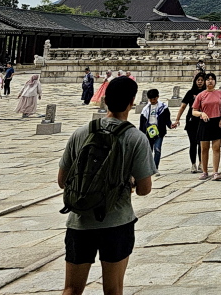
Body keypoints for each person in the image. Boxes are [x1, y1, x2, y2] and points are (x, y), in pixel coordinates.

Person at [58, 75, 153, 295]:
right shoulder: (136, 138)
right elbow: (144, 189)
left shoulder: (81, 133)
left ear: (105, 99)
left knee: (71, 289)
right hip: (116, 222)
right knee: (113, 290)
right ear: (132, 102)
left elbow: (63, 181)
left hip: (79, 222)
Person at [192, 74, 221, 180]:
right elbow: (194, 111)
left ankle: (216, 171)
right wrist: (201, 114)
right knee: (204, 149)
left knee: (216, 148)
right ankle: (205, 171)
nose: (210, 81)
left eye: (212, 80)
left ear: (215, 81)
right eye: (208, 80)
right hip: (205, 122)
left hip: (216, 121)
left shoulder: (220, 94)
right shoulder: (201, 95)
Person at [170, 72, 206, 173]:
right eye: (198, 80)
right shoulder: (190, 92)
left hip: (203, 120)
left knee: (202, 143)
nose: (199, 82)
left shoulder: (206, 93)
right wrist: (177, 119)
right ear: (195, 81)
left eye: (201, 80)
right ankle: (193, 164)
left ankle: (201, 163)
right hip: (191, 120)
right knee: (193, 143)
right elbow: (183, 106)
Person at [138, 89, 171, 174]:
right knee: (149, 151)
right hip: (149, 131)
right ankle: (149, 168)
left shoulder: (163, 107)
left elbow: (167, 119)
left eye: (154, 99)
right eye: (151, 99)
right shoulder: (145, 109)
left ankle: (155, 168)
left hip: (159, 131)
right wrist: (141, 134)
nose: (153, 101)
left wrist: (170, 125)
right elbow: (142, 123)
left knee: (157, 149)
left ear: (157, 97)